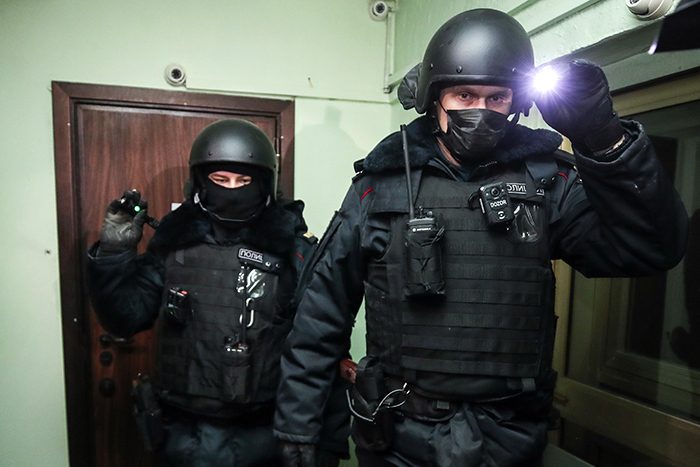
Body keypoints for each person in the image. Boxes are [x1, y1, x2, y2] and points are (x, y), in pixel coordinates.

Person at [273, 8, 688, 467]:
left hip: (509, 438)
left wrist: (604, 141)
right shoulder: (380, 186)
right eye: (465, 94)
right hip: (400, 437)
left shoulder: (546, 181)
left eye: (497, 97)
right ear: (434, 97)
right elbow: (320, 315)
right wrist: (299, 426)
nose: (481, 111)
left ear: (515, 102)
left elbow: (651, 248)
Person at [86, 119, 349, 466]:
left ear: (264, 184)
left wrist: (325, 444)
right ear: (200, 182)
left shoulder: (292, 251)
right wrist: (114, 253)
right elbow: (124, 318)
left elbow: (322, 350)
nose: (232, 190)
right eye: (220, 180)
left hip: (265, 436)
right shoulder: (174, 244)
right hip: (182, 437)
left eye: (244, 181)